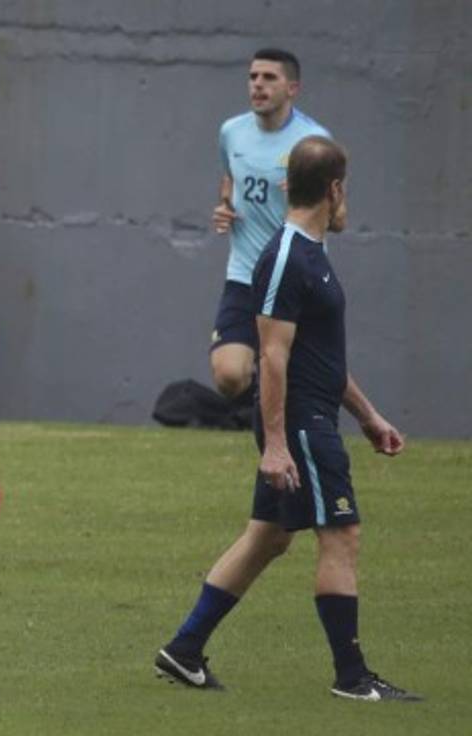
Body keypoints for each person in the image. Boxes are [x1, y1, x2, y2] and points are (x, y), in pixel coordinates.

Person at [154, 136, 422, 702]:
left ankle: (183, 650)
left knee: (269, 538)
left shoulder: (311, 255)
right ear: (335, 190)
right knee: (341, 535)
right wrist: (276, 444)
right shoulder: (286, 256)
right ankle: (352, 679)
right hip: (299, 425)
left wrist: (369, 416)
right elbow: (271, 355)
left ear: (285, 187)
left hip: (309, 416)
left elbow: (319, 357)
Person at [209, 49, 329, 404]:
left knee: (304, 379)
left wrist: (305, 199)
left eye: (269, 78)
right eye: (253, 77)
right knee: (230, 375)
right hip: (245, 274)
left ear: (292, 88)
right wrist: (225, 206)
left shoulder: (313, 142)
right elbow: (231, 179)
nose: (258, 85)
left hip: (296, 274)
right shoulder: (232, 131)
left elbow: (337, 218)